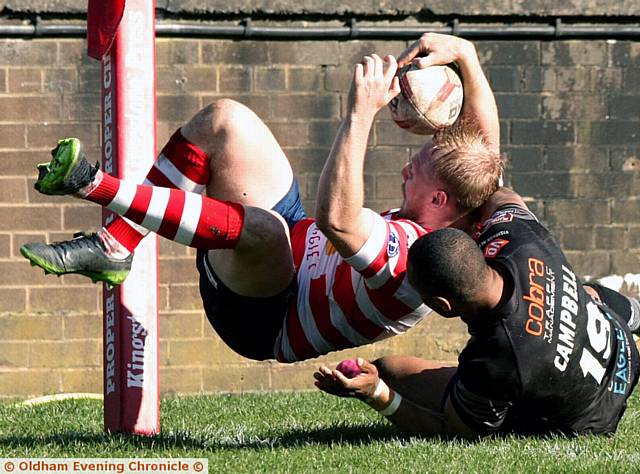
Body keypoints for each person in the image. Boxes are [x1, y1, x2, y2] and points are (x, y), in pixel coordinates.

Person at [21, 33, 503, 363]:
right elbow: (485, 153)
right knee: (228, 120)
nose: (405, 168)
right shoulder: (467, 202)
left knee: (265, 230)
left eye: (415, 169)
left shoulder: (415, 257)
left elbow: (337, 220)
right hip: (292, 240)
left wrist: (361, 112)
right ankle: (115, 246)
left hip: (266, 315)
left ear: (439, 198)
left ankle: (89, 183)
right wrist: (466, 56)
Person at [314, 187, 640, 437]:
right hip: (624, 352)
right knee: (585, 294)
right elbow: (501, 194)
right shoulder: (520, 238)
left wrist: (377, 394)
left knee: (390, 373)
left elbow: (454, 430)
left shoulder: (497, 358)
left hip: (593, 417)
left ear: (443, 305)